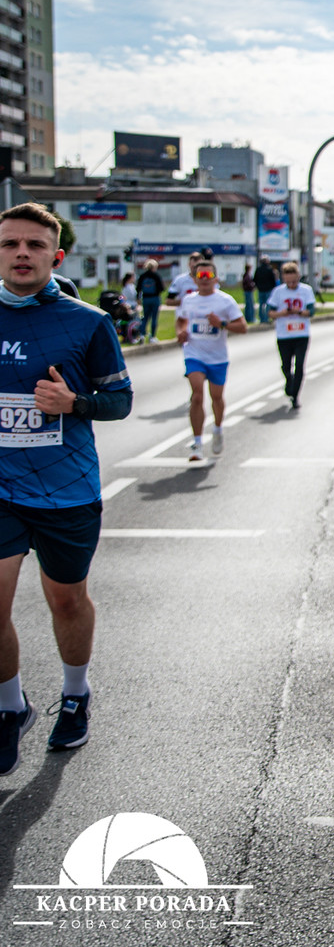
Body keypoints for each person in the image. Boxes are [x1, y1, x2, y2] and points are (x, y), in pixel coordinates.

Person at [0, 204, 133, 773]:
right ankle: (10, 707)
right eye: (10, 244)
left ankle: (75, 694)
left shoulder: (87, 322)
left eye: (34, 245)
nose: (21, 253)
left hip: (66, 490)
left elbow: (120, 401)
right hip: (1, 489)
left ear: (55, 256)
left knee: (66, 600)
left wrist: (74, 402)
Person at [175, 259, 246, 461]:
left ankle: (217, 429)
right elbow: (181, 320)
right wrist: (181, 332)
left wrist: (221, 324)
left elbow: (242, 327)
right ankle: (197, 443)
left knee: (216, 397)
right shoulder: (188, 300)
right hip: (194, 354)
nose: (204, 279)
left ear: (215, 278)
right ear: (194, 279)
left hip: (218, 357)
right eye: (200, 275)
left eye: (208, 275)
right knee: (197, 395)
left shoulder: (225, 301)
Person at [266, 262, 317, 409]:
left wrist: (299, 312)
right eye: (288, 282)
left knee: (299, 365)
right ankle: (289, 379)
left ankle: (295, 396)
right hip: (284, 334)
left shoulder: (306, 290)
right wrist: (282, 313)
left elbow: (311, 311)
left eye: (294, 281)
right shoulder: (278, 292)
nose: (291, 285)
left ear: (298, 277)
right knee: (286, 365)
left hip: (301, 333)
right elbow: (269, 312)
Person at [135, 259, 163, 343]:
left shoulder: (142, 276)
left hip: (145, 298)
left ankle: (142, 334)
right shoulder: (156, 276)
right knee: (154, 318)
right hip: (155, 298)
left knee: (145, 317)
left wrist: (138, 298)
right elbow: (161, 288)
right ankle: (153, 336)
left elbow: (138, 288)